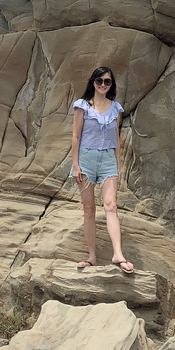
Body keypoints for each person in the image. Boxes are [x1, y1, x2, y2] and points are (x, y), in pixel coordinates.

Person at [71, 65, 134, 273]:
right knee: (89, 209)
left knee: (111, 205)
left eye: (107, 81)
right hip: (86, 158)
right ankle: (92, 256)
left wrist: (118, 166)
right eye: (99, 81)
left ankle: (118, 254)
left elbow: (116, 138)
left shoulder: (116, 108)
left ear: (111, 84)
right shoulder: (82, 106)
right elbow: (76, 136)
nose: (103, 85)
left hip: (108, 158)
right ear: (93, 83)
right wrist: (76, 165)